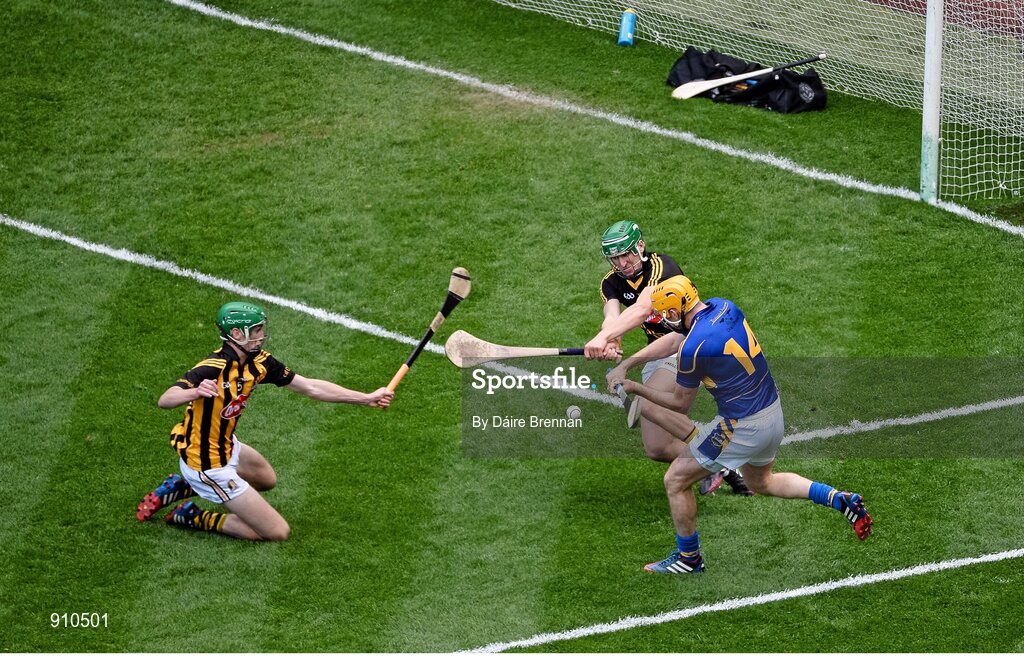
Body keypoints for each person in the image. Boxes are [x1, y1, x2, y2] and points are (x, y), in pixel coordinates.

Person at [608, 276, 872, 574]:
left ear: (674, 310)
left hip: (740, 426)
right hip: (772, 413)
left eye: (665, 313)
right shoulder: (724, 306)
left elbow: (680, 403)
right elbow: (677, 338)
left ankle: (689, 558)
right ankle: (838, 498)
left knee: (675, 480)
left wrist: (634, 386)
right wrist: (626, 364)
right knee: (763, 482)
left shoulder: (694, 349)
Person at [136, 301, 394, 541]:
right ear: (236, 334)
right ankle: (193, 516)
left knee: (267, 480)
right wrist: (194, 392)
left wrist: (365, 398)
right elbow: (165, 399)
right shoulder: (212, 367)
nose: (261, 334)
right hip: (206, 464)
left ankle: (182, 486)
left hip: (226, 446)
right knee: (277, 532)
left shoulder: (260, 362)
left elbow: (311, 387)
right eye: (256, 330)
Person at [584, 220, 750, 495]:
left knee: (649, 402)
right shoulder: (610, 283)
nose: (623, 262)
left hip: (688, 345)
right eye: (615, 257)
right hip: (657, 353)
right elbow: (612, 318)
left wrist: (604, 341)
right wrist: (610, 340)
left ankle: (718, 449)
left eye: (627, 254)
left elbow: (641, 308)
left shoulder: (662, 267)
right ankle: (721, 465)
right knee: (657, 447)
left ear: (640, 247)